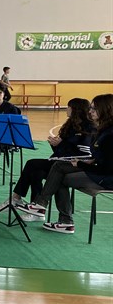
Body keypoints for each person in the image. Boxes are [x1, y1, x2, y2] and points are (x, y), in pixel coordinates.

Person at [21, 94, 113, 233]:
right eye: (90, 108)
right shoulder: (103, 129)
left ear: (105, 109)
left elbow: (107, 169)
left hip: (106, 178)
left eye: (94, 108)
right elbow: (102, 157)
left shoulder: (109, 134)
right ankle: (49, 212)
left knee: (59, 176)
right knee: (59, 168)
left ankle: (58, 216)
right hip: (99, 171)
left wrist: (81, 164)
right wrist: (90, 160)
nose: (90, 111)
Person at [10, 98, 94, 207]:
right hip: (60, 160)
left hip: (70, 163)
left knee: (32, 163)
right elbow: (61, 151)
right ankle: (35, 206)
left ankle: (17, 197)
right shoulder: (70, 125)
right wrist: (55, 145)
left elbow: (84, 153)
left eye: (69, 107)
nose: (67, 109)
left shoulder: (88, 128)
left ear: (76, 109)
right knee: (36, 172)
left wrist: (61, 144)